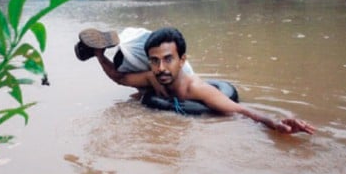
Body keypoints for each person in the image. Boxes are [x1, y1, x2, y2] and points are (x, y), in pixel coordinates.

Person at [76, 27, 315, 135]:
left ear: (182, 60)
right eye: (155, 61)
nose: (161, 68)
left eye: (168, 59)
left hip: (186, 98)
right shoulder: (153, 76)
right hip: (157, 96)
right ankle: (109, 47)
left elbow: (241, 111)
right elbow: (119, 78)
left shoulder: (194, 88)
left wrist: (275, 124)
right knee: (132, 89)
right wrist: (98, 55)